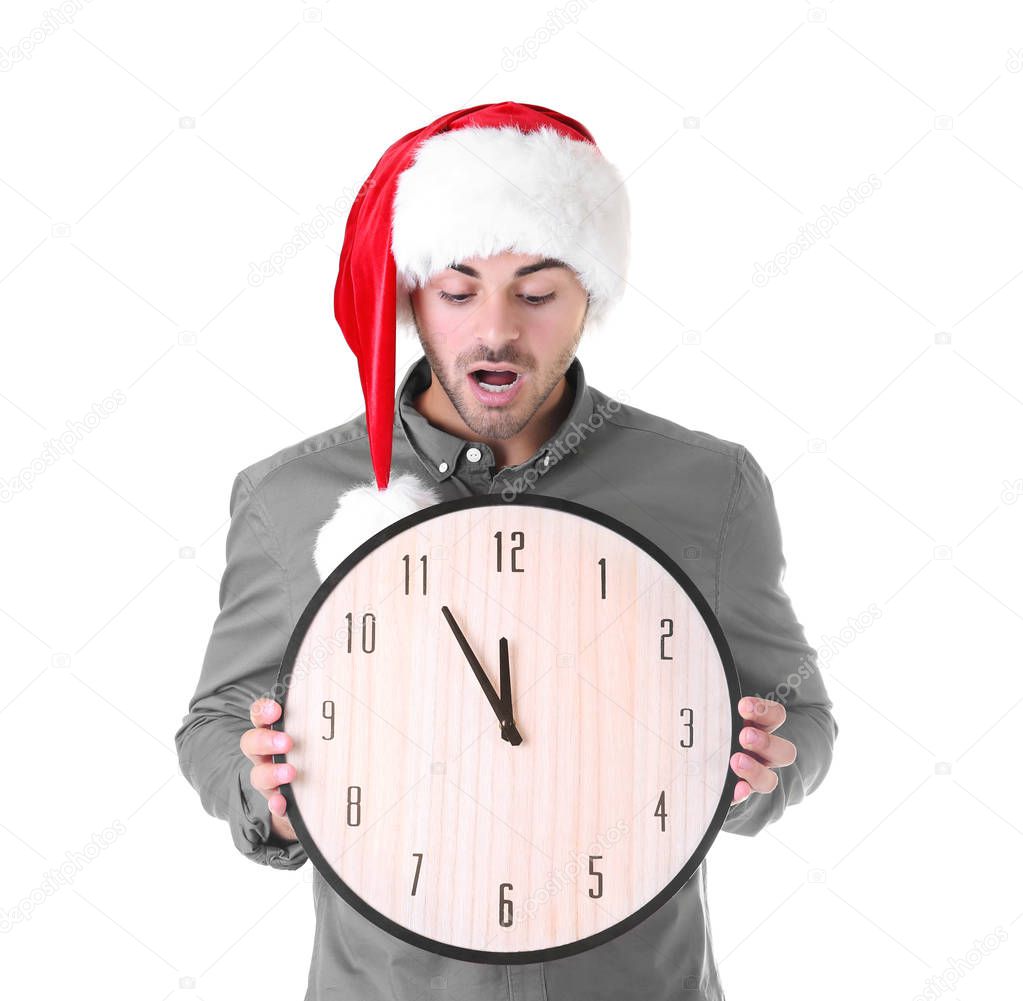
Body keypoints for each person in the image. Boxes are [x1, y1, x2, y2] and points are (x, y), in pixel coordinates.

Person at [175, 101, 838, 1001]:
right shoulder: (290, 494)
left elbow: (801, 710)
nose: (495, 329)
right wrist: (265, 794)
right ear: (411, 296)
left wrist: (759, 770)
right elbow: (217, 716)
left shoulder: (705, 485)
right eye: (457, 291)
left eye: (535, 292)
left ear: (588, 300)